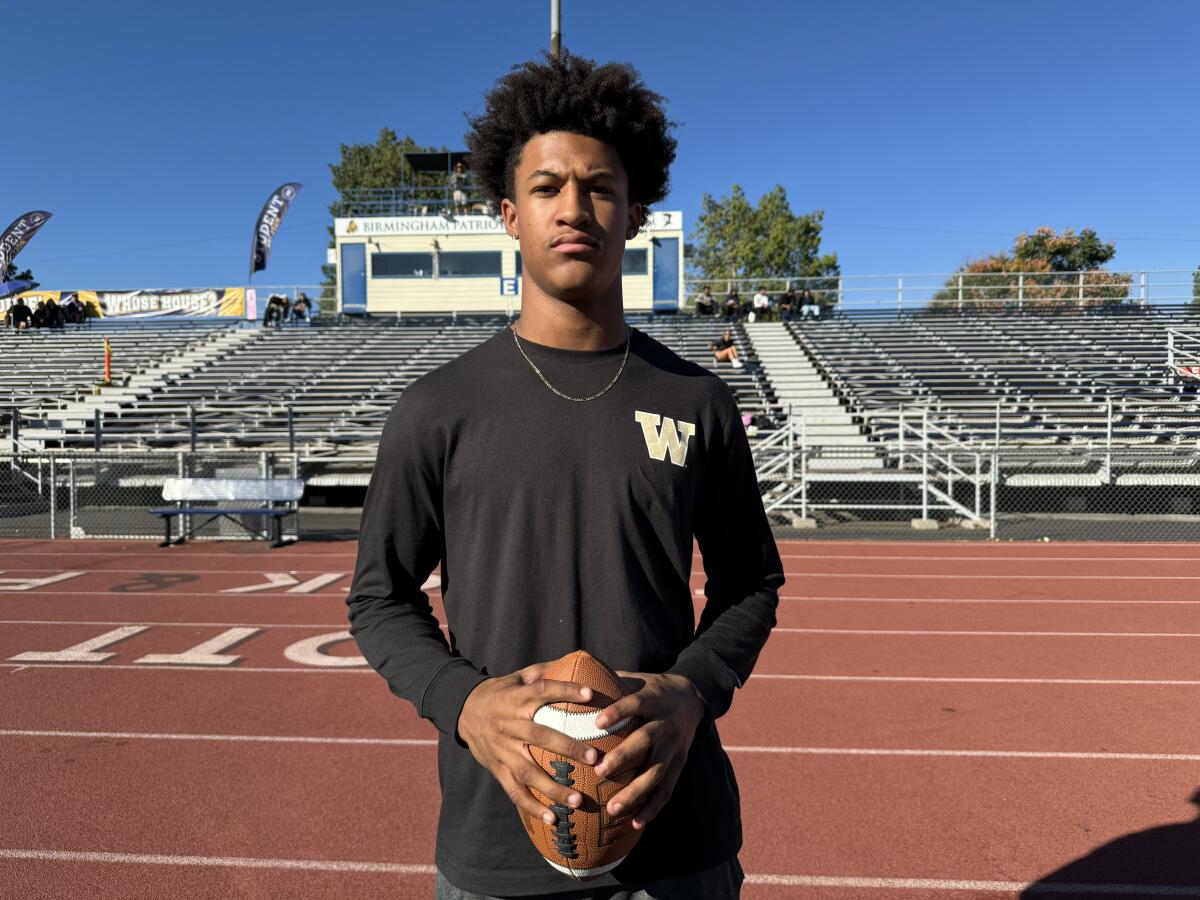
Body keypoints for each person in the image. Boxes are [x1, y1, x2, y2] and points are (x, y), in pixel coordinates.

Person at [346, 52, 781, 900]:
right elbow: (378, 595)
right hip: (498, 841)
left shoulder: (698, 401)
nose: (573, 208)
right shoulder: (438, 407)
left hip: (677, 837)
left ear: (636, 212)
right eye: (547, 188)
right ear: (510, 214)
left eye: (600, 187)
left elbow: (752, 583)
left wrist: (691, 693)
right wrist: (465, 704)